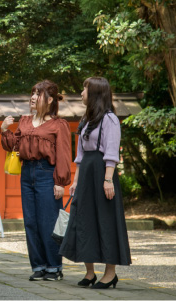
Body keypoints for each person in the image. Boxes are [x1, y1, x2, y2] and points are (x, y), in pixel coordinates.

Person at [59, 77, 131, 289]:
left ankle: (110, 273)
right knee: (83, 220)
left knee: (107, 221)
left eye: (85, 89)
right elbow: (80, 155)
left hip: (102, 173)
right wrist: (75, 181)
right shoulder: (86, 120)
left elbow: (111, 153)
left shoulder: (110, 120)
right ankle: (89, 272)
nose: (81, 93)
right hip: (87, 173)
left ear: (96, 94)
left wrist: (108, 179)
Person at [0, 80, 72, 281]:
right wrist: (4, 129)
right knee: (31, 222)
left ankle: (54, 266)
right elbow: (13, 146)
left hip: (47, 174)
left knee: (48, 222)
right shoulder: (24, 121)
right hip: (27, 173)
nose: (32, 97)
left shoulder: (59, 125)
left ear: (49, 100)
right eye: (32, 93)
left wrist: (60, 181)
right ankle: (38, 265)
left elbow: (64, 154)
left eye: (37, 94)